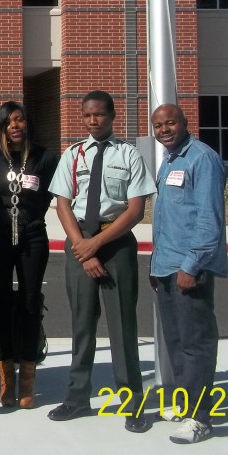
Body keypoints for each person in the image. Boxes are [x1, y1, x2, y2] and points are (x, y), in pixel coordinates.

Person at [47, 90, 156, 432]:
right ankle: (77, 399)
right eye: (87, 115)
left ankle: (133, 404)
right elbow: (62, 203)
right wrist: (82, 247)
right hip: (80, 243)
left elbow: (136, 209)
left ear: (112, 116)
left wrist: (96, 244)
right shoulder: (73, 154)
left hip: (116, 245)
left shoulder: (129, 155)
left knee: (123, 327)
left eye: (100, 115)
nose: (93, 121)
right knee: (82, 326)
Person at [150, 103, 228, 444]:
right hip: (166, 266)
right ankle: (185, 405)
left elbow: (209, 219)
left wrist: (191, 265)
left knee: (196, 343)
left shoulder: (202, 158)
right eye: (158, 125)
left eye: (170, 123)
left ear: (184, 123)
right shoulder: (169, 160)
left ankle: (201, 418)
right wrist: (158, 267)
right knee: (177, 341)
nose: (164, 129)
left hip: (187, 269)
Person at [0, 101, 58, 409]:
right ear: (1, 126)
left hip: (32, 237)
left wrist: (28, 220)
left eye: (20, 120)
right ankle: (6, 375)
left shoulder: (46, 157)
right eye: (9, 121)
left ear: (28, 124)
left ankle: (27, 374)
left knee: (28, 302)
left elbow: (52, 196)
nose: (15, 126)